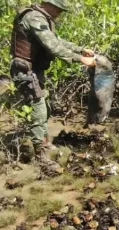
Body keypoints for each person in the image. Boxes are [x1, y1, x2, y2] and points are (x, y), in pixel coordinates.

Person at [10, 0, 96, 175]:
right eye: (58, 8)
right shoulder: (34, 18)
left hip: (34, 70)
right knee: (38, 109)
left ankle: (45, 144)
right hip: (25, 70)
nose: (59, 13)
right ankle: (41, 157)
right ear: (47, 4)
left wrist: (80, 49)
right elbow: (52, 46)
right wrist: (80, 59)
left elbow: (56, 40)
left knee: (44, 108)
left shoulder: (41, 18)